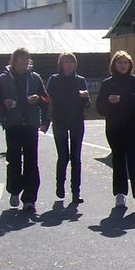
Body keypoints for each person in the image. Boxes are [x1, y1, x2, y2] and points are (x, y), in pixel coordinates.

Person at [0, 47, 49, 211]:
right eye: (20, 59)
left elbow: (46, 99)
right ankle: (15, 191)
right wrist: (4, 104)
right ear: (14, 61)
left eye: (26, 59)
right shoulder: (4, 79)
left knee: (32, 161)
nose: (24, 62)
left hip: (30, 125)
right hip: (13, 124)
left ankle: (30, 199)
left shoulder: (35, 78)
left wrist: (38, 100)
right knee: (14, 160)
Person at [96, 50, 135, 210]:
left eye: (125, 62)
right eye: (119, 62)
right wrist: (108, 101)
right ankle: (120, 195)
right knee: (119, 161)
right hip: (115, 128)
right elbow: (100, 107)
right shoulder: (107, 83)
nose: (123, 65)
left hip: (134, 127)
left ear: (130, 65)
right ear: (114, 65)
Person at [46, 52, 90, 202]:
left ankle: (76, 192)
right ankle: (60, 185)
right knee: (63, 156)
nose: (69, 65)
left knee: (76, 158)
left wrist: (85, 98)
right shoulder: (54, 80)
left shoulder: (80, 80)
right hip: (60, 121)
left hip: (77, 121)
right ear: (61, 64)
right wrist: (45, 121)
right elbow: (48, 101)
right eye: (66, 62)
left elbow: (87, 104)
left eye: (71, 62)